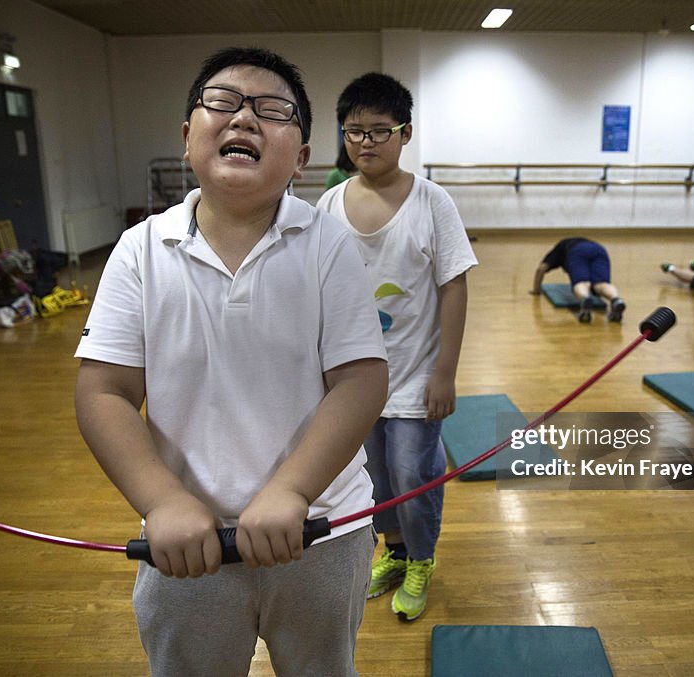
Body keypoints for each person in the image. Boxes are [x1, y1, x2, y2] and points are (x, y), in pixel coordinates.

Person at [74, 47, 389, 676]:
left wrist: (294, 488)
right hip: (188, 544)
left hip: (321, 530)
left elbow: (360, 379)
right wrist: (161, 500)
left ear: (301, 158)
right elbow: (103, 391)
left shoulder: (329, 244)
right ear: (188, 138)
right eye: (222, 102)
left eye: (273, 111)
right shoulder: (141, 249)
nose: (244, 119)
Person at [317, 72, 477, 622]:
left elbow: (453, 284)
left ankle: (423, 559)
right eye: (354, 131)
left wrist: (446, 373)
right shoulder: (329, 204)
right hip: (354, 379)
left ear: (405, 133)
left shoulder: (433, 202)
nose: (365, 141)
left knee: (413, 473)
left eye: (379, 131)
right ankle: (397, 551)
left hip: (415, 374)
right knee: (374, 478)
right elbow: (318, 292)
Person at [530, 237, 626, 323]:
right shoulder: (576, 242)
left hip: (576, 251)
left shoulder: (558, 250)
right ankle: (616, 299)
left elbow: (541, 269)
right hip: (599, 249)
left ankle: (585, 299)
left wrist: (536, 290)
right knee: (600, 283)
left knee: (581, 282)